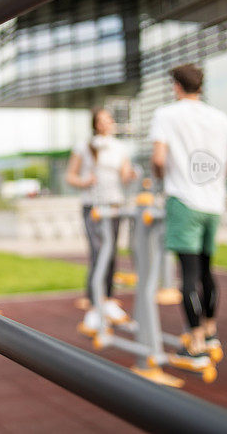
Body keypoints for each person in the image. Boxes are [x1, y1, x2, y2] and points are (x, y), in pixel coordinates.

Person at [149, 63, 227, 361]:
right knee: (207, 270)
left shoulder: (166, 114)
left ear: (176, 86)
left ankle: (195, 343)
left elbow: (158, 158)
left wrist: (162, 176)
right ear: (201, 87)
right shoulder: (219, 116)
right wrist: (222, 175)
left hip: (183, 200)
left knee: (189, 275)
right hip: (213, 203)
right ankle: (210, 332)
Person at [66, 108, 137, 335]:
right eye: (102, 120)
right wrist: (85, 181)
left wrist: (133, 175)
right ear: (96, 124)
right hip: (93, 207)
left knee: (112, 252)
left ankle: (106, 299)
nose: (107, 123)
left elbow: (125, 176)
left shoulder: (120, 148)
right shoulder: (85, 146)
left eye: (109, 120)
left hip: (114, 206)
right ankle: (95, 301)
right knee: (98, 252)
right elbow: (70, 176)